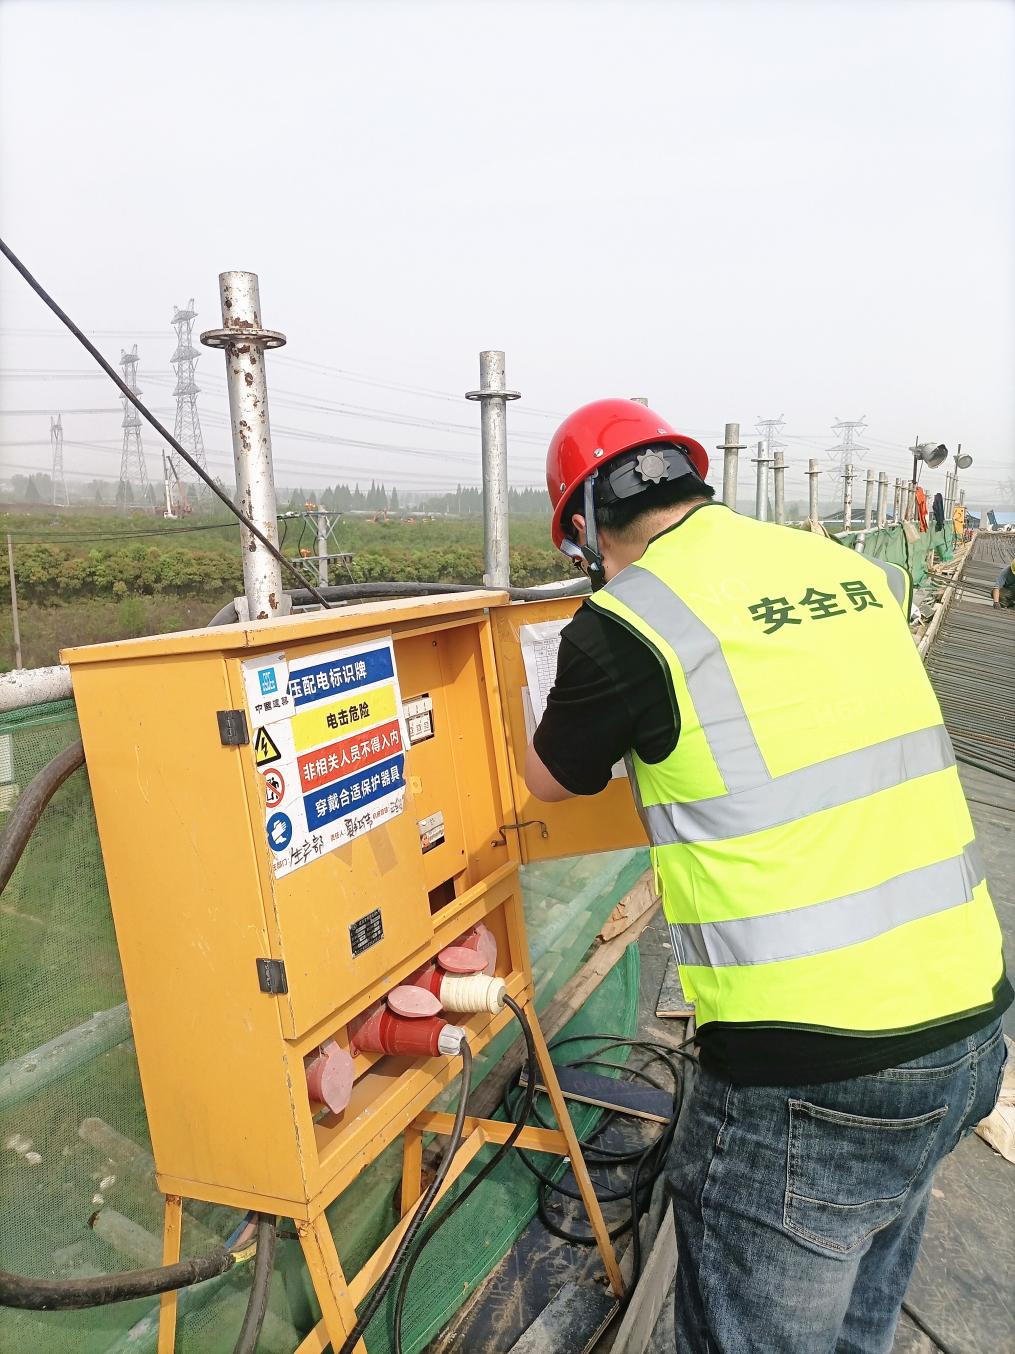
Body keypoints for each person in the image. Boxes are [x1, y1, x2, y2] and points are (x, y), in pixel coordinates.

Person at [525, 398, 1011, 1354]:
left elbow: (550, 778)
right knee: (858, 1319)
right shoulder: (850, 571)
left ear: (582, 527)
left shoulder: (625, 621)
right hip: (968, 1025)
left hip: (810, 1075)